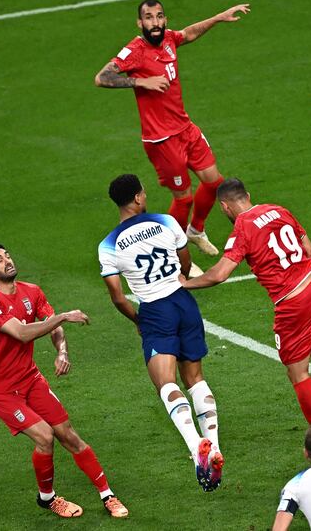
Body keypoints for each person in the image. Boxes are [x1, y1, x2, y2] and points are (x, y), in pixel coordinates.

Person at [179, 178, 311, 452]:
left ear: (224, 207)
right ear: (248, 195)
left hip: (293, 302)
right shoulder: (279, 210)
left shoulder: (242, 227)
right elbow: (310, 251)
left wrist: (186, 284)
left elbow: (219, 274)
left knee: (298, 373)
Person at [0, 244, 128, 519]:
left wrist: (62, 351)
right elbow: (21, 333)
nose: (7, 261)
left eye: (7, 255)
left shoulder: (31, 292)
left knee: (68, 435)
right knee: (45, 436)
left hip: (30, 379)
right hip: (0, 390)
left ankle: (108, 495)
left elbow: (53, 327)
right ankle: (48, 498)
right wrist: (63, 316)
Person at [94, 0, 250, 258]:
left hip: (185, 128)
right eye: (149, 18)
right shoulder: (135, 50)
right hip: (162, 139)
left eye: (159, 17)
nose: (155, 23)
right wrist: (141, 81)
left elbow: (187, 34)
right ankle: (173, 253)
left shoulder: (168, 39)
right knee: (184, 198)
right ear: (140, 22)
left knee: (214, 183)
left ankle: (196, 231)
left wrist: (218, 17)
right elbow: (102, 78)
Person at [98, 173, 224, 491]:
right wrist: (178, 280)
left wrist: (139, 321)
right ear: (138, 198)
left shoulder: (108, 245)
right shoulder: (167, 221)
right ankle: (215, 446)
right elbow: (185, 260)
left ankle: (197, 448)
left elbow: (116, 295)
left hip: (155, 310)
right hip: (184, 302)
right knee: (195, 378)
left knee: (165, 382)